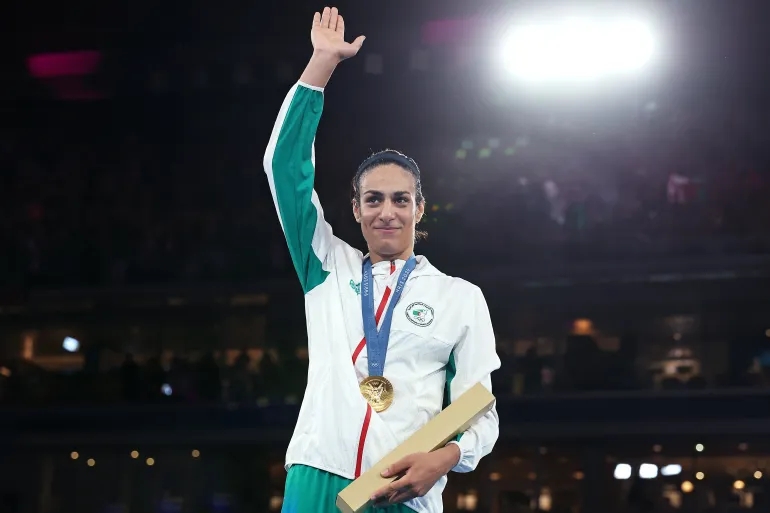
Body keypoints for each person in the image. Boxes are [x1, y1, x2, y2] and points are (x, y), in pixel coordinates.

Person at [264, 7, 501, 513]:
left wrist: (447, 458)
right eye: (373, 199)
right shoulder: (325, 266)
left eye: (400, 199)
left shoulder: (460, 298)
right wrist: (321, 65)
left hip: (402, 491)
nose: (387, 212)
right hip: (317, 476)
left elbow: (479, 406)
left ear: (419, 208)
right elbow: (283, 167)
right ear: (355, 210)